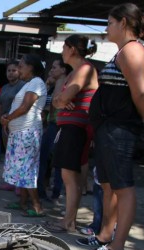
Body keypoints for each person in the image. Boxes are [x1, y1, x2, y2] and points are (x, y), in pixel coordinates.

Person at [81, 3, 144, 250]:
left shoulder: (131, 52)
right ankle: (104, 236)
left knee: (123, 186)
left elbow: (141, 92)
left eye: (110, 23)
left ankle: (117, 247)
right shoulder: (122, 52)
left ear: (123, 23)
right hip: (109, 127)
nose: (106, 28)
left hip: (120, 128)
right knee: (109, 184)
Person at [45, 34, 98, 233]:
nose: (62, 51)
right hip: (69, 127)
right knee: (68, 175)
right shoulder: (75, 72)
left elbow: (62, 98)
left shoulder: (84, 69)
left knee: (70, 177)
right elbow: (58, 100)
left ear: (72, 49)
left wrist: (61, 99)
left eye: (64, 47)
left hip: (76, 127)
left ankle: (68, 222)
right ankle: (68, 220)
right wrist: (61, 99)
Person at [0, 54, 48, 217]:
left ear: (31, 67)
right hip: (20, 132)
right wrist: (8, 118)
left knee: (27, 169)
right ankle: (23, 203)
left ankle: (37, 206)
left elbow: (25, 106)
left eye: (21, 66)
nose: (19, 69)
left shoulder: (36, 83)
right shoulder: (29, 84)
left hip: (27, 132)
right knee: (22, 169)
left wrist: (8, 119)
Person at [38, 59, 72, 201]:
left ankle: (51, 192)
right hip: (52, 124)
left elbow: (57, 104)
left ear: (63, 70)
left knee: (53, 160)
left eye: (54, 67)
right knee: (49, 159)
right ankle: (46, 191)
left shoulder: (66, 84)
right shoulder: (55, 84)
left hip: (59, 125)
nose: (51, 70)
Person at [0, 60, 25, 190]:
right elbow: (0, 106)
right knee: (9, 153)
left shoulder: (24, 86)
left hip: (18, 123)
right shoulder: (5, 88)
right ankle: (10, 181)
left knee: (18, 154)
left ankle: (19, 184)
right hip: (4, 124)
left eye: (14, 70)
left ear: (19, 71)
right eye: (9, 71)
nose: (11, 73)